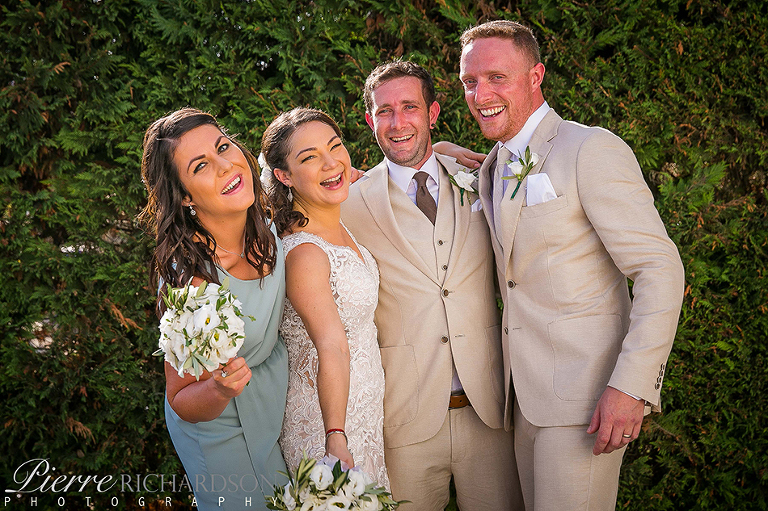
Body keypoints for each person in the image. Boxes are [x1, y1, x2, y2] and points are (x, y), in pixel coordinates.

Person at [459, 20, 686, 510]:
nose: (480, 94)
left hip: (587, 399)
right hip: (522, 402)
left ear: (535, 76)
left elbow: (659, 268)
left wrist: (631, 386)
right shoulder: (493, 165)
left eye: (497, 78)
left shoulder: (589, 148)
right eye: (470, 81)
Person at [340, 60, 524, 510]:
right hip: (405, 419)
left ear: (433, 112)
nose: (397, 122)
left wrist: (442, 152)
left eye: (409, 107)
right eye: (384, 111)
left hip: (490, 411)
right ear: (370, 120)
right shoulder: (350, 203)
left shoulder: (481, 178)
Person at [139, 108, 287, 511]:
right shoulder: (191, 281)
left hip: (272, 405)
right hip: (221, 431)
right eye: (201, 166)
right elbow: (181, 398)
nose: (225, 166)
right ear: (185, 196)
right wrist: (220, 388)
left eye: (223, 147)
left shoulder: (266, 219)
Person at [259, 108, 390, 488]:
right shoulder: (305, 253)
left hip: (364, 412)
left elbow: (377, 173)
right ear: (283, 176)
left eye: (335, 147)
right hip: (328, 422)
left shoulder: (333, 215)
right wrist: (335, 435)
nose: (331, 163)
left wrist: (442, 150)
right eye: (309, 157)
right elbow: (332, 345)